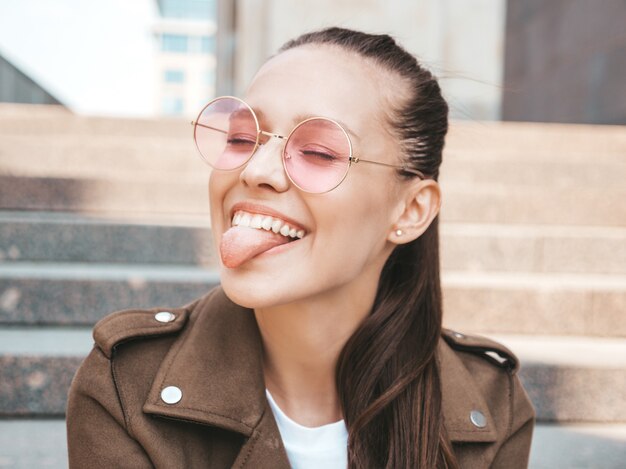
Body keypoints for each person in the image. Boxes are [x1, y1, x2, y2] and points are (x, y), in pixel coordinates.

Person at [67, 27, 535, 468]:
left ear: (410, 210)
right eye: (242, 137)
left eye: (318, 152)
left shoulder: (490, 404)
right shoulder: (125, 385)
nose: (256, 170)